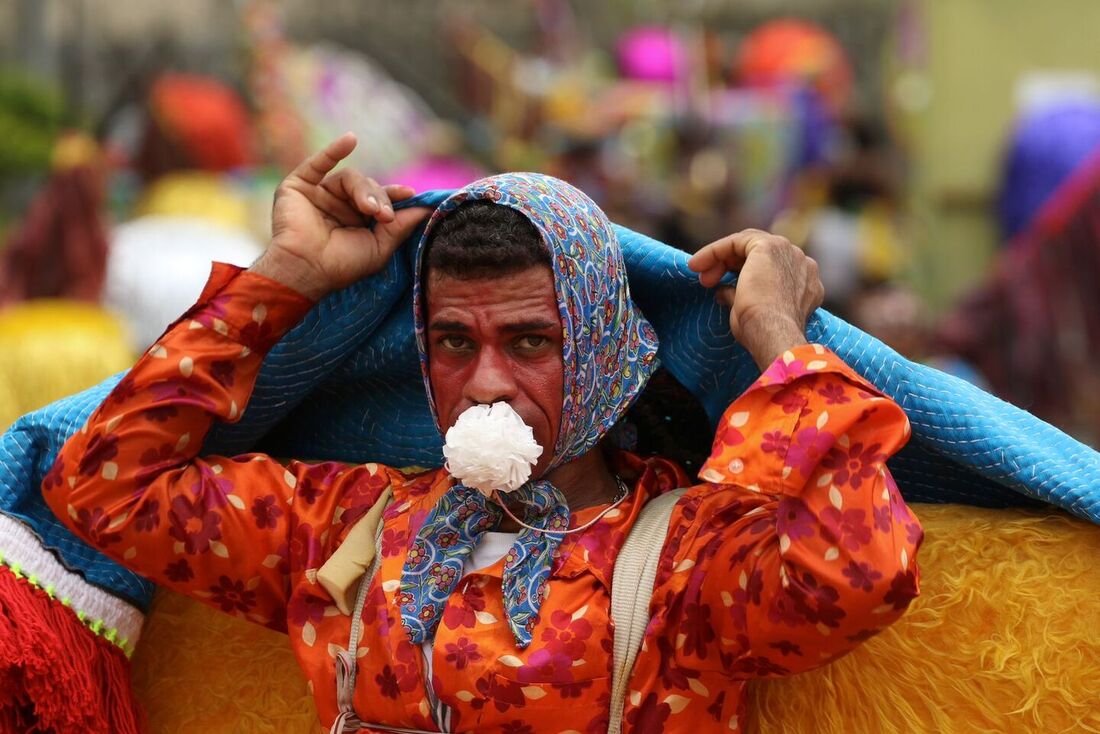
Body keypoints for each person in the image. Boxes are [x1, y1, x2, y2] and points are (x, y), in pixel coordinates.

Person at [44, 133, 922, 733]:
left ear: (607, 351)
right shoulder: (348, 524)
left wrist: (778, 336)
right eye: (453, 343)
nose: (485, 383)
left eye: (532, 341)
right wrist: (288, 277)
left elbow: (859, 571)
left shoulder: (685, 563)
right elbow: (104, 485)